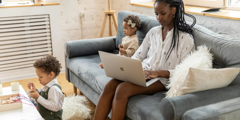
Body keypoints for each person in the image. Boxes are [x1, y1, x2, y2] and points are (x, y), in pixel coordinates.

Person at [93, 0, 197, 120]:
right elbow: (138, 56)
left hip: (162, 79)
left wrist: (156, 73)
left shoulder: (185, 39)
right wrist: (115, 64)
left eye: (162, 13)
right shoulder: (153, 32)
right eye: (156, 14)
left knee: (122, 89)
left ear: (173, 10)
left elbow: (183, 72)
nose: (159, 18)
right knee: (110, 85)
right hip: (143, 71)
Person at [27, 55, 64, 120]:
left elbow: (53, 107)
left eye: (40, 77)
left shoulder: (54, 89)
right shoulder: (47, 85)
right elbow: (45, 97)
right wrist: (36, 91)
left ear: (51, 75)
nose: (38, 79)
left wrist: (38, 97)